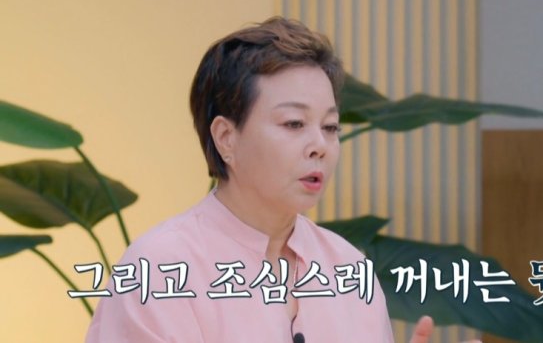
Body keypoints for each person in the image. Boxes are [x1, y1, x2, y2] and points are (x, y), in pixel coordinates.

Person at [86, 17, 480, 343]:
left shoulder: (347, 268)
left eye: (330, 127)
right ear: (226, 138)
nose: (320, 146)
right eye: (294, 123)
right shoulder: (160, 269)